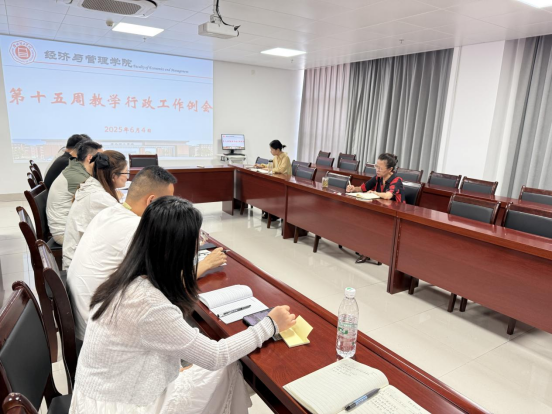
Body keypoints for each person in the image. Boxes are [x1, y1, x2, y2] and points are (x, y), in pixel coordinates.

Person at [69, 196, 296, 413]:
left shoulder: (129, 276)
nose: (199, 245)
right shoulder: (148, 304)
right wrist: (270, 324)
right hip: (121, 406)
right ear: (177, 251)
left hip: (109, 390)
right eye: (198, 239)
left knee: (215, 371)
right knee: (227, 369)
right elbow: (215, 356)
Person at [67, 166, 227, 340]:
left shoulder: (109, 212)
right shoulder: (136, 228)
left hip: (84, 313)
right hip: (101, 327)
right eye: (168, 203)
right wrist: (206, 264)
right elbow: (169, 284)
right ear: (152, 202)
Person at [62, 151, 128, 270]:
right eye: (126, 173)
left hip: (78, 259)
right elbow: (127, 220)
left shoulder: (91, 186)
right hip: (79, 267)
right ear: (114, 176)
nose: (127, 177)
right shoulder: (99, 197)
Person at [346, 153, 405, 264]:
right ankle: (364, 247)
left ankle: (368, 252)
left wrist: (375, 193)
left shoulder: (396, 180)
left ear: (390, 169)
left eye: (380, 168)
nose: (377, 170)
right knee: (360, 216)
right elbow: (363, 188)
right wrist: (353, 189)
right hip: (382, 210)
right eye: (376, 166)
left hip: (395, 215)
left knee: (369, 221)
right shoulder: (378, 177)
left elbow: (388, 195)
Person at [46, 140, 103, 244]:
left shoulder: (76, 168)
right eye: (102, 158)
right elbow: (101, 200)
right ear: (90, 158)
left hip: (68, 227)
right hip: (65, 234)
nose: (104, 162)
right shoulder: (78, 176)